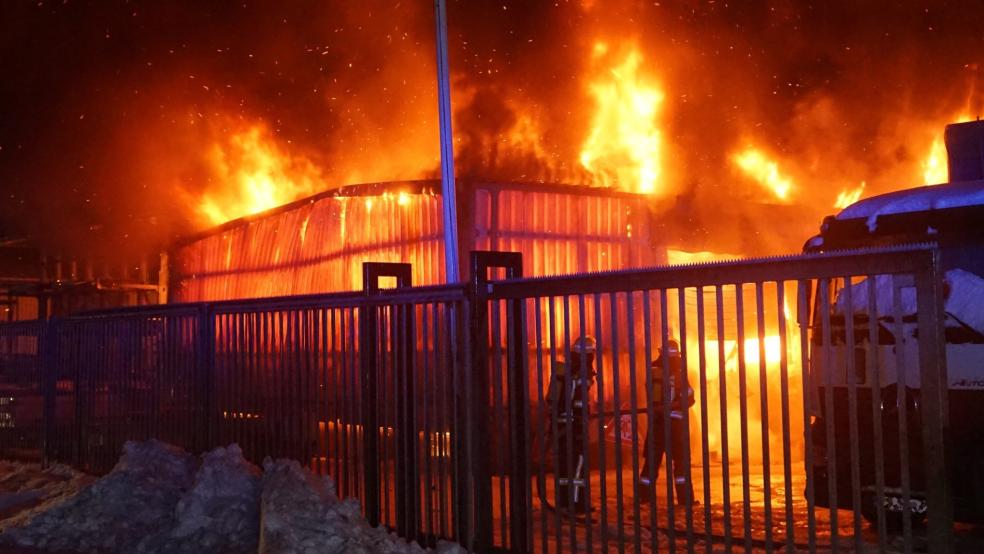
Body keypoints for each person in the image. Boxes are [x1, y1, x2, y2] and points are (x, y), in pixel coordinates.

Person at [637, 339, 697, 505]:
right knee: (681, 463)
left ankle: (644, 497)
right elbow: (691, 398)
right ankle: (685, 500)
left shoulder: (654, 371)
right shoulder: (679, 373)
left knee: (652, 462)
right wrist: (677, 403)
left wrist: (667, 406)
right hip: (676, 427)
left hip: (658, 424)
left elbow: (652, 397)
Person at [545, 335, 596, 514]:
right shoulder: (582, 372)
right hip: (574, 425)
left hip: (560, 424)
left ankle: (564, 502)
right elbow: (579, 401)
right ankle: (577, 504)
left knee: (564, 465)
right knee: (578, 465)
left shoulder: (566, 369)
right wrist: (582, 417)